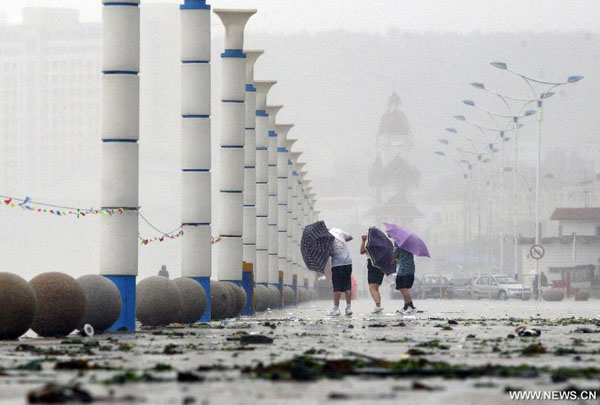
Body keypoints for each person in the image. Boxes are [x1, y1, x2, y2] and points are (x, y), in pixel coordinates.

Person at [328, 228, 354, 316]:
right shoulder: (338, 231)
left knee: (337, 287)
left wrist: (328, 252)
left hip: (337, 263)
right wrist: (342, 242)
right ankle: (349, 308)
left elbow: (331, 253)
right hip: (348, 261)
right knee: (347, 286)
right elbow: (350, 237)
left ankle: (336, 309)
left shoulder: (326, 238)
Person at [360, 234, 384, 314]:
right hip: (380, 267)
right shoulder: (382, 245)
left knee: (372, 288)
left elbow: (361, 251)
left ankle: (378, 306)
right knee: (376, 288)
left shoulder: (371, 245)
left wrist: (363, 241)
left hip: (373, 266)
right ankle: (378, 305)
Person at [393, 241, 417, 314]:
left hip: (403, 269)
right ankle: (407, 306)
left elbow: (394, 254)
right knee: (403, 288)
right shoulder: (409, 244)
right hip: (410, 268)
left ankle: (410, 306)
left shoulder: (398, 242)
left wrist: (394, 256)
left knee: (403, 288)